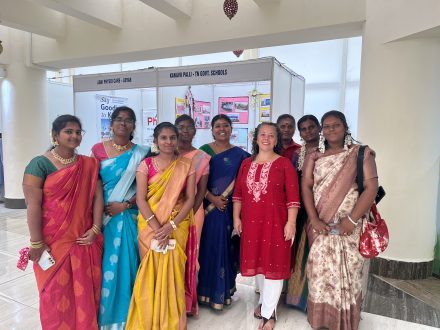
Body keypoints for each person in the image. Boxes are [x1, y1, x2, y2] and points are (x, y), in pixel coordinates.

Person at [22, 115, 104, 329]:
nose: (74, 136)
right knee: (54, 294)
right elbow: (33, 206)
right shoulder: (39, 164)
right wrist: (37, 243)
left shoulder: (89, 164)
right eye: (69, 131)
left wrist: (95, 228)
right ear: (55, 135)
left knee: (84, 292)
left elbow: (97, 197)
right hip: (52, 241)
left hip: (82, 238)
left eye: (78, 132)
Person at [303, 111, 378, 330]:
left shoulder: (360, 153)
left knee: (349, 274)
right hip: (320, 228)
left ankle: (346, 320)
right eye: (326, 126)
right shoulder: (314, 156)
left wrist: (351, 220)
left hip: (349, 229)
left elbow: (371, 188)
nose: (331, 130)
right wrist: (314, 219)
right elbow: (306, 187)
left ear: (345, 127)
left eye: (336, 125)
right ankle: (321, 320)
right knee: (319, 274)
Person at [126, 122, 195, 330]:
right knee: (149, 272)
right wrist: (158, 229)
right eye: (163, 138)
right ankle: (148, 319)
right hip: (149, 227)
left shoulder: (186, 165)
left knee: (173, 274)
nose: (168, 142)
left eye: (172, 137)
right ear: (155, 141)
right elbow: (140, 200)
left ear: (177, 140)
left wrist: (170, 226)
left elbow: (190, 199)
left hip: (177, 225)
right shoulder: (145, 165)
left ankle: (171, 321)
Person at [233, 122, 300, 330]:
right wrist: (237, 218)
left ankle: (270, 314)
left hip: (276, 223)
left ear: (277, 140)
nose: (266, 138)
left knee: (273, 265)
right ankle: (263, 302)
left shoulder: (284, 164)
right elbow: (238, 195)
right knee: (260, 266)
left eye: (271, 135)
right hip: (252, 224)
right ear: (255, 138)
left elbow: (293, 197)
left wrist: (291, 222)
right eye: (262, 134)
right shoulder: (246, 164)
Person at [91, 106, 149, 329]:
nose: (123, 124)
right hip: (101, 217)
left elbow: (148, 189)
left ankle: (130, 315)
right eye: (119, 119)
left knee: (128, 265)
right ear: (111, 123)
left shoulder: (142, 152)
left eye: (128, 120)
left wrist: (124, 205)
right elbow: (91, 184)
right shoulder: (97, 150)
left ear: (134, 125)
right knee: (105, 267)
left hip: (129, 216)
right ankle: (106, 316)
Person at [197, 114, 250, 310]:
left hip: (230, 211)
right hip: (208, 209)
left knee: (227, 249)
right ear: (211, 130)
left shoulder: (241, 155)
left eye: (226, 125)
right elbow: (195, 182)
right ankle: (204, 291)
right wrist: (212, 198)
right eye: (217, 126)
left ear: (231, 129)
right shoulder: (202, 152)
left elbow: (245, 185)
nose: (222, 129)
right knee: (207, 249)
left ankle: (224, 291)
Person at [175, 114, 210, 316]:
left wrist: (188, 213)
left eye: (189, 127)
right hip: (167, 213)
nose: (185, 131)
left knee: (190, 257)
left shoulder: (202, 158)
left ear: (195, 131)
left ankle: (186, 303)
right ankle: (169, 298)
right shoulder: (167, 154)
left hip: (193, 212)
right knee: (170, 256)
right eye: (181, 127)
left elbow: (201, 190)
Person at [286, 114, 320, 311]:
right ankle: (297, 298)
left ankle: (316, 300)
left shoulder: (328, 151)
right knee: (300, 249)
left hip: (322, 207)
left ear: (318, 128)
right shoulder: (297, 154)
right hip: (301, 208)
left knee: (316, 253)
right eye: (304, 129)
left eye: (311, 127)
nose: (308, 132)